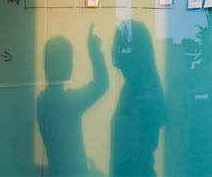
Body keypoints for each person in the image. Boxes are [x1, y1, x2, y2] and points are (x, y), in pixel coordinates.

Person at [36, 24, 108, 176]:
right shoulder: (66, 102)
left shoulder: (42, 100)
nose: (71, 63)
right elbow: (101, 84)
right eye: (67, 58)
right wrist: (94, 50)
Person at [110, 20, 165, 176]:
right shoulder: (133, 90)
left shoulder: (142, 94)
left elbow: (135, 156)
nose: (112, 48)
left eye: (117, 43)